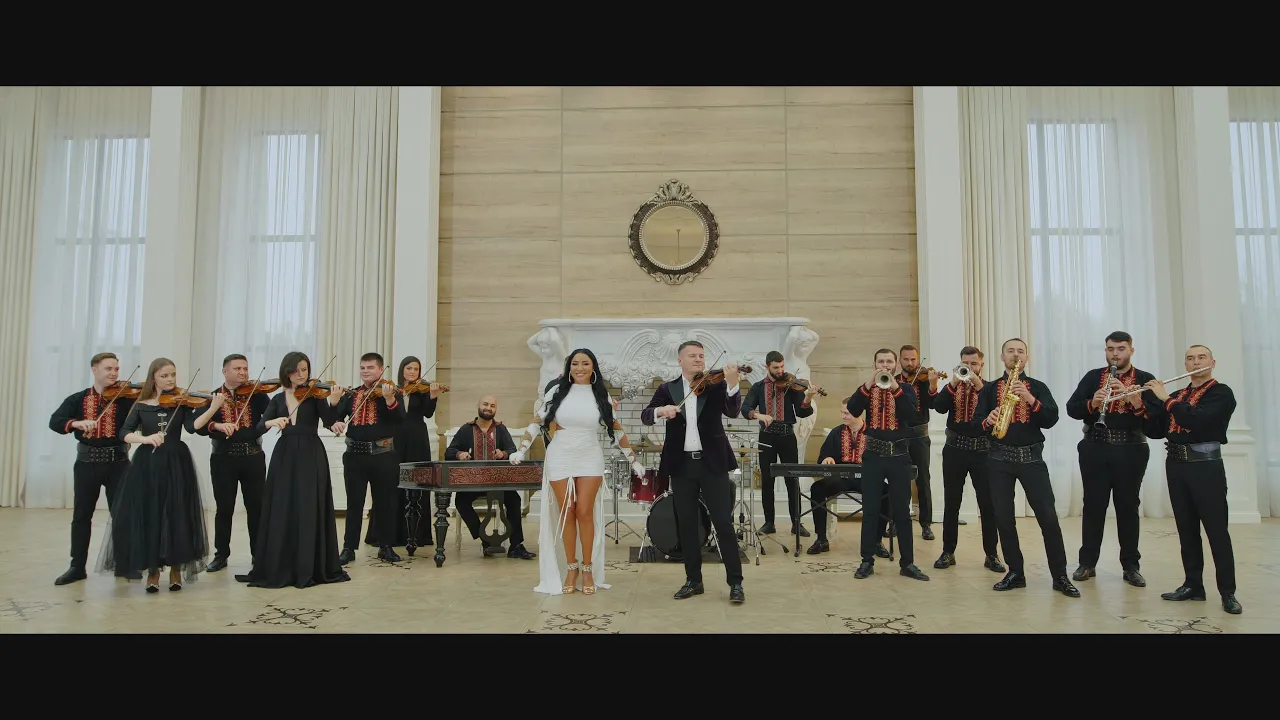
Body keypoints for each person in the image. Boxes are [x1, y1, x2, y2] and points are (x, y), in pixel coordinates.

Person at [513, 349, 643, 595]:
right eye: (575, 363)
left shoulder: (601, 395)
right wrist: (521, 450)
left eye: (585, 363)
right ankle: (571, 567)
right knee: (567, 511)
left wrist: (633, 460)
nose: (579, 368)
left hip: (589, 455)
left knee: (584, 511)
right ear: (569, 367)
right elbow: (536, 422)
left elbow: (616, 429)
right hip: (560, 454)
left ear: (593, 367)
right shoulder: (556, 392)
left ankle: (588, 569)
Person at [96, 358, 219, 592]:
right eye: (164, 376)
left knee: (176, 513)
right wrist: (144, 438)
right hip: (148, 463)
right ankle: (152, 571)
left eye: (173, 374)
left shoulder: (182, 402)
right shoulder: (141, 405)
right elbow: (124, 432)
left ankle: (175, 569)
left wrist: (212, 408)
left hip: (176, 462)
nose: (170, 379)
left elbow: (192, 427)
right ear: (153, 378)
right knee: (151, 513)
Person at [640, 340, 746, 603]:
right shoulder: (668, 389)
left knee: (723, 523)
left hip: (713, 464)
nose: (699, 359)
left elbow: (733, 411)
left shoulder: (716, 385)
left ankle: (735, 583)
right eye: (692, 356)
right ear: (680, 361)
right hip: (681, 465)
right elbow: (646, 415)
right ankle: (693, 580)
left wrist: (733, 384)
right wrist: (660, 411)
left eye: (701, 355)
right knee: (686, 524)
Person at [236, 351, 351, 589]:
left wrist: (334, 402)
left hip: (311, 453)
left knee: (309, 506)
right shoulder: (278, 399)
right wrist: (271, 422)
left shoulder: (316, 396)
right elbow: (258, 427)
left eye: (305, 370)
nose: (301, 375)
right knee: (283, 505)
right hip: (285, 455)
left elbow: (330, 421)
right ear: (286, 372)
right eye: (296, 370)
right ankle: (283, 563)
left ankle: (309, 565)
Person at [974, 338, 1079, 597]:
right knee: (1004, 518)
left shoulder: (1038, 387)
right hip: (999, 460)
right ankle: (1015, 573)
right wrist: (988, 420)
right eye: (1010, 351)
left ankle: (1060, 575)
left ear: (1027, 358)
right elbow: (976, 423)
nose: (1015, 355)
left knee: (1048, 518)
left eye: (1020, 351)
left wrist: (1030, 398)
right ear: (1002, 357)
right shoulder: (990, 389)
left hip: (1032, 460)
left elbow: (1051, 419)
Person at [1144, 345, 1242, 615]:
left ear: (1212, 362)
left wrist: (1165, 398)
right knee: (1186, 529)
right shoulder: (1178, 395)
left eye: (1201, 357)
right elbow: (1156, 431)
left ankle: (1228, 592)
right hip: (1176, 466)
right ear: (1185, 365)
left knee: (1216, 530)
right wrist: (1142, 406)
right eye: (1190, 358)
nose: (1195, 362)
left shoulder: (1221, 393)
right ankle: (1193, 585)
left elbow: (1197, 420)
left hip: (1205, 467)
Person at [1065, 331, 1157, 587]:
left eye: (1120, 349)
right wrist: (1093, 403)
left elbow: (1157, 422)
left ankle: (1131, 566)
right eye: (1110, 349)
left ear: (1131, 350)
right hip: (1095, 447)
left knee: (1128, 507)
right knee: (1093, 505)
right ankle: (1087, 563)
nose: (1115, 354)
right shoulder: (1093, 377)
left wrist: (1136, 402)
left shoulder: (1145, 379)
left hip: (1131, 449)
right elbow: (1072, 408)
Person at [49, 352, 139, 585]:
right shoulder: (77, 399)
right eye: (109, 368)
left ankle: (124, 564)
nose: (114, 373)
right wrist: (76, 423)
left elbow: (142, 419)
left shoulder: (126, 399)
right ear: (94, 370)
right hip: (86, 464)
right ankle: (77, 567)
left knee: (122, 515)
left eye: (116, 369)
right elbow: (55, 421)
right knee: (81, 516)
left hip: (119, 463)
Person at [845, 349, 929, 582]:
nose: (885, 365)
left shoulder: (907, 389)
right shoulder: (867, 390)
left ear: (895, 365)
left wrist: (895, 388)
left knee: (902, 512)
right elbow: (852, 410)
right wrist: (867, 384)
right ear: (874, 364)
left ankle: (908, 563)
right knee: (870, 510)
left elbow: (911, 415)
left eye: (889, 361)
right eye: (880, 361)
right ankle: (866, 561)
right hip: (873, 456)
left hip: (899, 456)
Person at [930, 346, 1004, 573]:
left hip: (983, 452)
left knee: (988, 505)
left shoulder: (990, 388)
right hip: (955, 450)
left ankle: (991, 554)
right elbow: (938, 407)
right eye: (965, 364)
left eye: (973, 364)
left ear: (981, 365)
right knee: (952, 503)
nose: (969, 368)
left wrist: (979, 385)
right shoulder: (953, 387)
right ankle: (948, 551)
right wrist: (952, 383)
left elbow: (998, 410)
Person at [330, 352, 405, 564]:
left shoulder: (391, 392)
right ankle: (349, 548)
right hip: (354, 456)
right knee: (354, 503)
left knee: (385, 503)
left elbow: (400, 419)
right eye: (362, 367)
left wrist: (389, 399)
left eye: (370, 367)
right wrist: (335, 413)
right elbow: (335, 418)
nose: (365, 371)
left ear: (381, 369)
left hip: (383, 456)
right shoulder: (352, 394)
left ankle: (386, 546)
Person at [198, 354, 269, 573]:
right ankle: (221, 555)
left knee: (256, 508)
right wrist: (216, 425)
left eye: (245, 368)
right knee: (224, 508)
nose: (243, 372)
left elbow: (268, 418)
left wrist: (265, 425)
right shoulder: (213, 397)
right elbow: (197, 427)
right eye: (237, 368)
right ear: (225, 371)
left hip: (253, 457)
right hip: (223, 459)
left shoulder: (258, 395)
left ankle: (259, 553)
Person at [365, 355, 443, 550]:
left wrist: (433, 397)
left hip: (417, 439)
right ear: (402, 370)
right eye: (409, 368)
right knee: (391, 482)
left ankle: (416, 534)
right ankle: (387, 534)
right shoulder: (393, 389)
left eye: (416, 369)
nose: (412, 372)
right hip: (396, 438)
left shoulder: (422, 391)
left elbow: (428, 413)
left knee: (417, 481)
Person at [446, 395, 536, 561]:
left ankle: (516, 546)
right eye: (485, 404)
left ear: (496, 409)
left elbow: (512, 450)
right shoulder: (466, 429)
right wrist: (460, 454)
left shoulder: (501, 429)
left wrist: (503, 454)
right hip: (473, 482)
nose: (488, 408)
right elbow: (449, 452)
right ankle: (485, 539)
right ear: (478, 406)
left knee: (514, 500)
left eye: (492, 406)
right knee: (461, 501)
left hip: (497, 482)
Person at [741, 350, 818, 538]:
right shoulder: (758, 387)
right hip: (766, 436)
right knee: (767, 480)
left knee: (792, 479)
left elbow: (802, 412)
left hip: (787, 436)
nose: (780, 371)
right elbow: (745, 408)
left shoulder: (791, 386)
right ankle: (769, 523)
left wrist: (808, 397)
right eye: (776, 367)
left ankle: (796, 523)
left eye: (782, 366)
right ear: (767, 366)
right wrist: (758, 415)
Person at [805, 401, 890, 558]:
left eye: (846, 413)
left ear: (859, 412)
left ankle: (877, 541)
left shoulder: (874, 433)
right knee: (817, 488)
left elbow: (884, 459)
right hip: (841, 478)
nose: (842, 416)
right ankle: (821, 539)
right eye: (841, 412)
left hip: (866, 478)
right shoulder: (836, 432)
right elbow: (824, 456)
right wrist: (827, 458)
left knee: (886, 492)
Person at [896, 345, 937, 540]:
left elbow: (934, 405)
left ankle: (926, 524)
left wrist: (932, 385)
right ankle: (897, 522)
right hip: (900, 436)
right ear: (900, 361)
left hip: (920, 436)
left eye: (913, 359)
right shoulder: (893, 381)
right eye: (906, 359)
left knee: (923, 480)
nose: (910, 363)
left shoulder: (924, 380)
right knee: (899, 480)